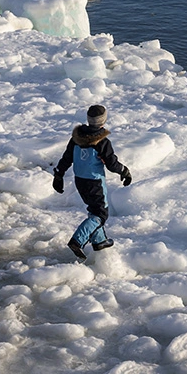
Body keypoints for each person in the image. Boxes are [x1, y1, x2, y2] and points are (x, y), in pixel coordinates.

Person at [53, 105, 132, 261]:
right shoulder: (102, 141)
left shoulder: (76, 138)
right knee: (101, 214)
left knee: (94, 210)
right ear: (103, 121)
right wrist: (124, 171)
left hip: (80, 181)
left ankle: (99, 240)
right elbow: (111, 164)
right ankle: (77, 241)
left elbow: (66, 158)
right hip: (94, 182)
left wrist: (58, 175)